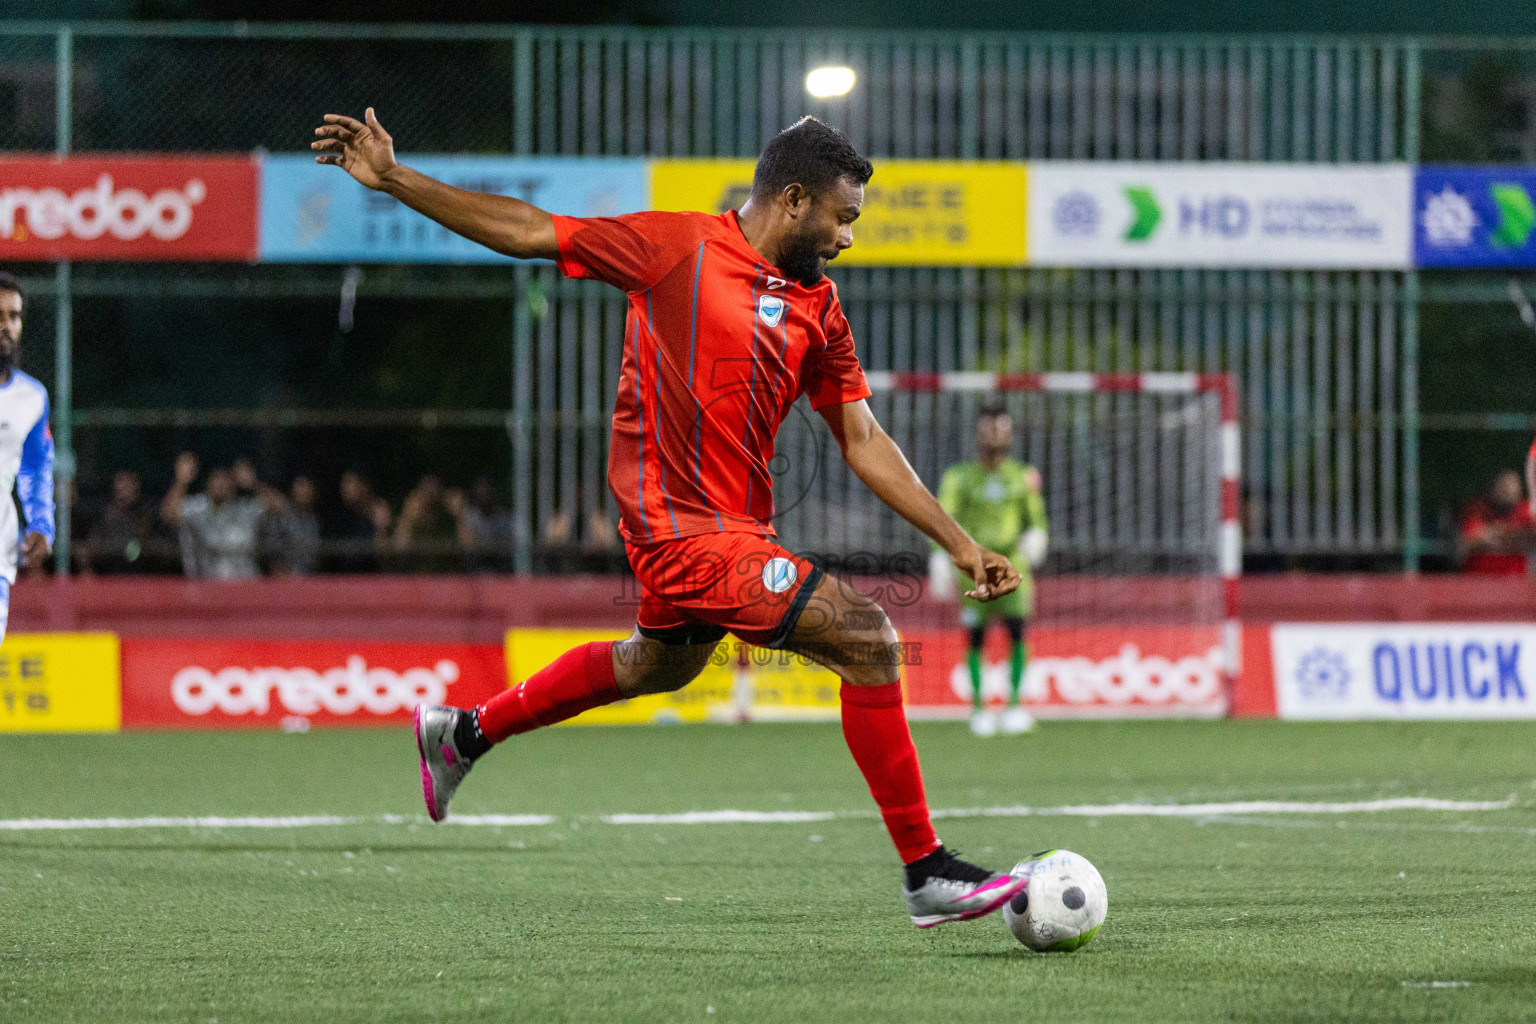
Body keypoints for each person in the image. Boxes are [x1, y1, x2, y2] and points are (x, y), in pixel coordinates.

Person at [315, 110, 1025, 927]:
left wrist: (961, 544)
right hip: (675, 530)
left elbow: (862, 440)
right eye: (842, 218)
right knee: (867, 637)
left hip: (736, 532)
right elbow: (528, 229)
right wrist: (397, 179)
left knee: (658, 666)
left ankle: (463, 732)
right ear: (793, 200)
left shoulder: (818, 309)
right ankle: (927, 872)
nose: (847, 239)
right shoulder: (675, 249)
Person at [930, 404, 1048, 737]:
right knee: (975, 637)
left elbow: (1035, 518)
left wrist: (1038, 535)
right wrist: (939, 556)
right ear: (978, 432)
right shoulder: (960, 477)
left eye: (1001, 427)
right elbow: (942, 518)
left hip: (1013, 567)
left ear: (1010, 432)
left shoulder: (1021, 476)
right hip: (974, 569)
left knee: (1018, 632)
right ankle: (978, 708)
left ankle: (1014, 706)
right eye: (989, 427)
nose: (995, 434)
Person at [0, 271, 54, 642]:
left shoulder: (32, 397)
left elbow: (36, 466)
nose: (5, 326)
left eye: (13, 316)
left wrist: (41, 523)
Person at [161, 453, 265, 580]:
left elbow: (279, 507)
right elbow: (169, 515)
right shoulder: (197, 507)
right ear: (208, 482)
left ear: (234, 483)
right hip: (205, 587)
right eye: (216, 478)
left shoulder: (244, 508)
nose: (220, 484)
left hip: (244, 586)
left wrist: (254, 484)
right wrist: (182, 481)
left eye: (225, 478)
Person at [1458, 469, 1534, 575]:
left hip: (1514, 579)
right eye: (1503, 488)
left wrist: (1502, 537)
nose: (1508, 492)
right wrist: (1507, 538)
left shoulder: (1526, 511)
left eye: (1512, 488)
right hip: (1479, 578)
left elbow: (1529, 539)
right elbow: (1468, 543)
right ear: (1493, 489)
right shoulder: (1479, 510)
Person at [83, 470, 157, 574]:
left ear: (136, 485)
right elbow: (92, 546)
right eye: (121, 480)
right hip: (108, 574)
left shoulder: (146, 512)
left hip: (140, 575)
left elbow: (151, 546)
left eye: (129, 481)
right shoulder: (104, 514)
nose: (125, 486)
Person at [329, 469, 392, 572]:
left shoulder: (378, 513)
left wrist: (381, 529)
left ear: (364, 487)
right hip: (342, 579)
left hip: (371, 578)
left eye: (349, 483)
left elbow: (385, 558)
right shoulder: (339, 515)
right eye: (343, 484)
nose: (344, 488)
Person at [259, 475, 321, 576]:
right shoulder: (280, 517)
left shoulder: (313, 519)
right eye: (299, 487)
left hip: (310, 578)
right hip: (285, 580)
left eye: (306, 487)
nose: (303, 492)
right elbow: (271, 551)